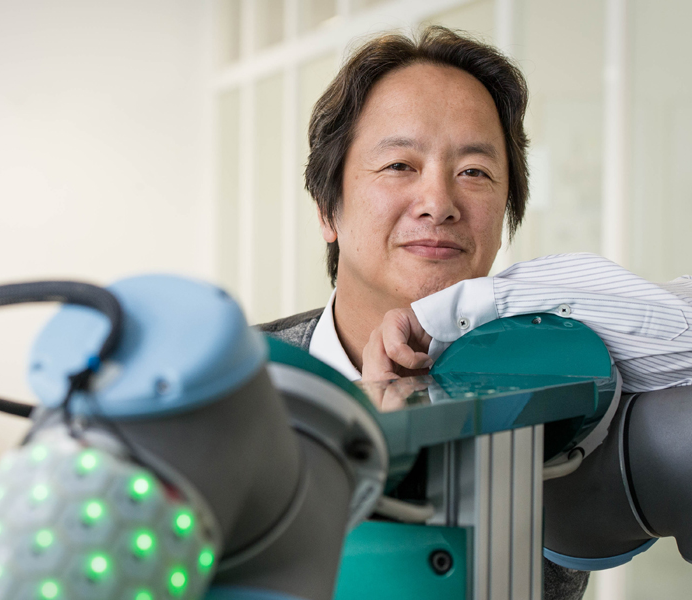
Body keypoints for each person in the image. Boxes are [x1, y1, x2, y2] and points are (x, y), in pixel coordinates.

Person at [258, 26, 691, 600]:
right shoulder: (237, 385)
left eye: (475, 173)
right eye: (399, 166)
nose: (438, 203)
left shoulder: (551, 399)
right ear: (326, 209)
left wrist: (496, 302)